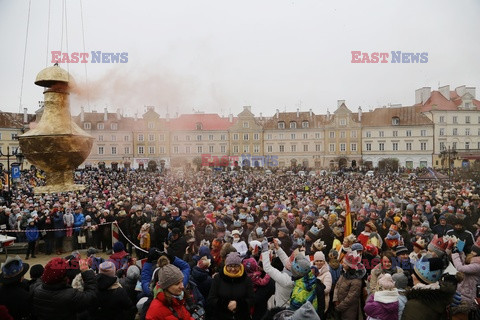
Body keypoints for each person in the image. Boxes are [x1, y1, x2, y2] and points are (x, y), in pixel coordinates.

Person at [32, 257, 97, 320]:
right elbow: (91, 295)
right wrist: (86, 272)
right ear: (65, 278)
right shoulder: (70, 295)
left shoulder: (35, 289)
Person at [207, 251, 254, 320]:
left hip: (241, 316)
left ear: (240, 266)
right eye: (230, 266)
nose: (233, 269)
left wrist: (238, 304)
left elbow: (252, 299)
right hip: (221, 316)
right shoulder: (218, 278)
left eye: (236, 266)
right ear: (226, 265)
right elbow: (211, 299)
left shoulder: (246, 279)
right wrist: (226, 304)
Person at [333, 251, 366, 320]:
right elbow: (337, 285)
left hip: (349, 310)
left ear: (350, 266)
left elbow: (351, 297)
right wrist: (335, 299)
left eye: (345, 263)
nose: (342, 264)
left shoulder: (356, 281)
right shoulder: (344, 273)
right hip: (338, 305)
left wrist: (340, 306)